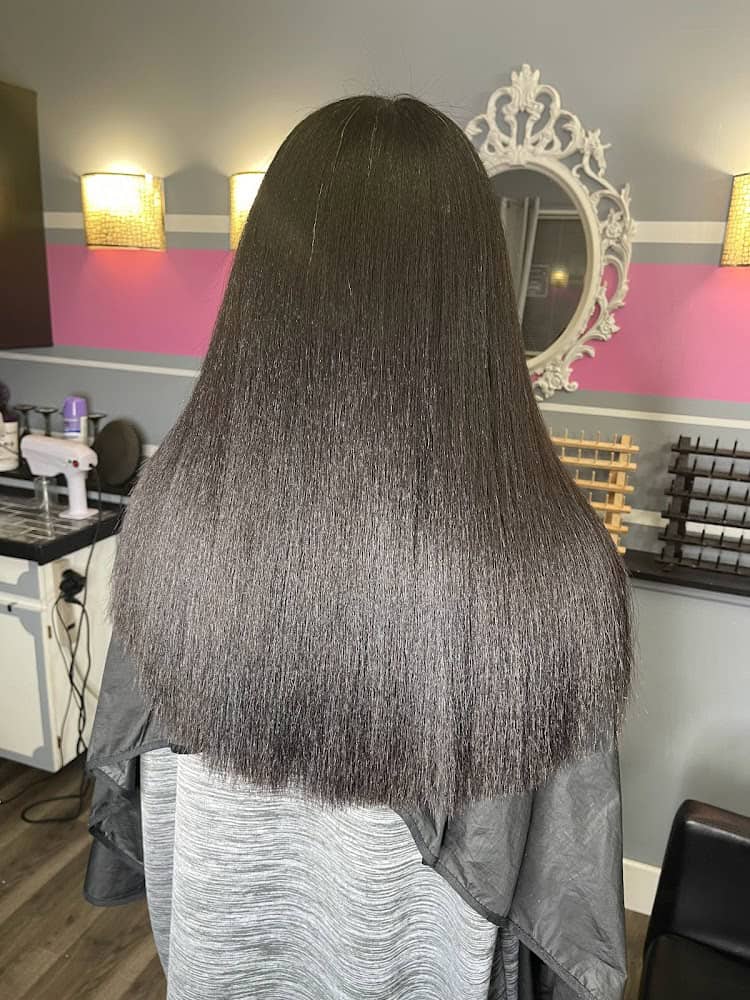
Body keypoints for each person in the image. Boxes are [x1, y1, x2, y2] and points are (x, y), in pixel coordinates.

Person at [86, 95, 633, 1000]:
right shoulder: (557, 568)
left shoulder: (170, 517)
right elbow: (564, 902)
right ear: (477, 289)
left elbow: (132, 778)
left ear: (263, 280)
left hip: (218, 966)